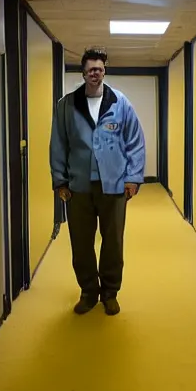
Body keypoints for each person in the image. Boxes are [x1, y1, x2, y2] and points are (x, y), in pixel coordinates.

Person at [49, 47, 146, 316]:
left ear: (104, 71)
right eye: (91, 69)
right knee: (81, 243)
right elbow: (58, 143)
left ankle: (110, 292)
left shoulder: (120, 102)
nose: (96, 73)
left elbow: (135, 142)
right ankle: (89, 292)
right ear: (83, 72)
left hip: (113, 185)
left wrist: (134, 177)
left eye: (100, 69)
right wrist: (60, 180)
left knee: (113, 241)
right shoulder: (67, 105)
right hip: (78, 186)